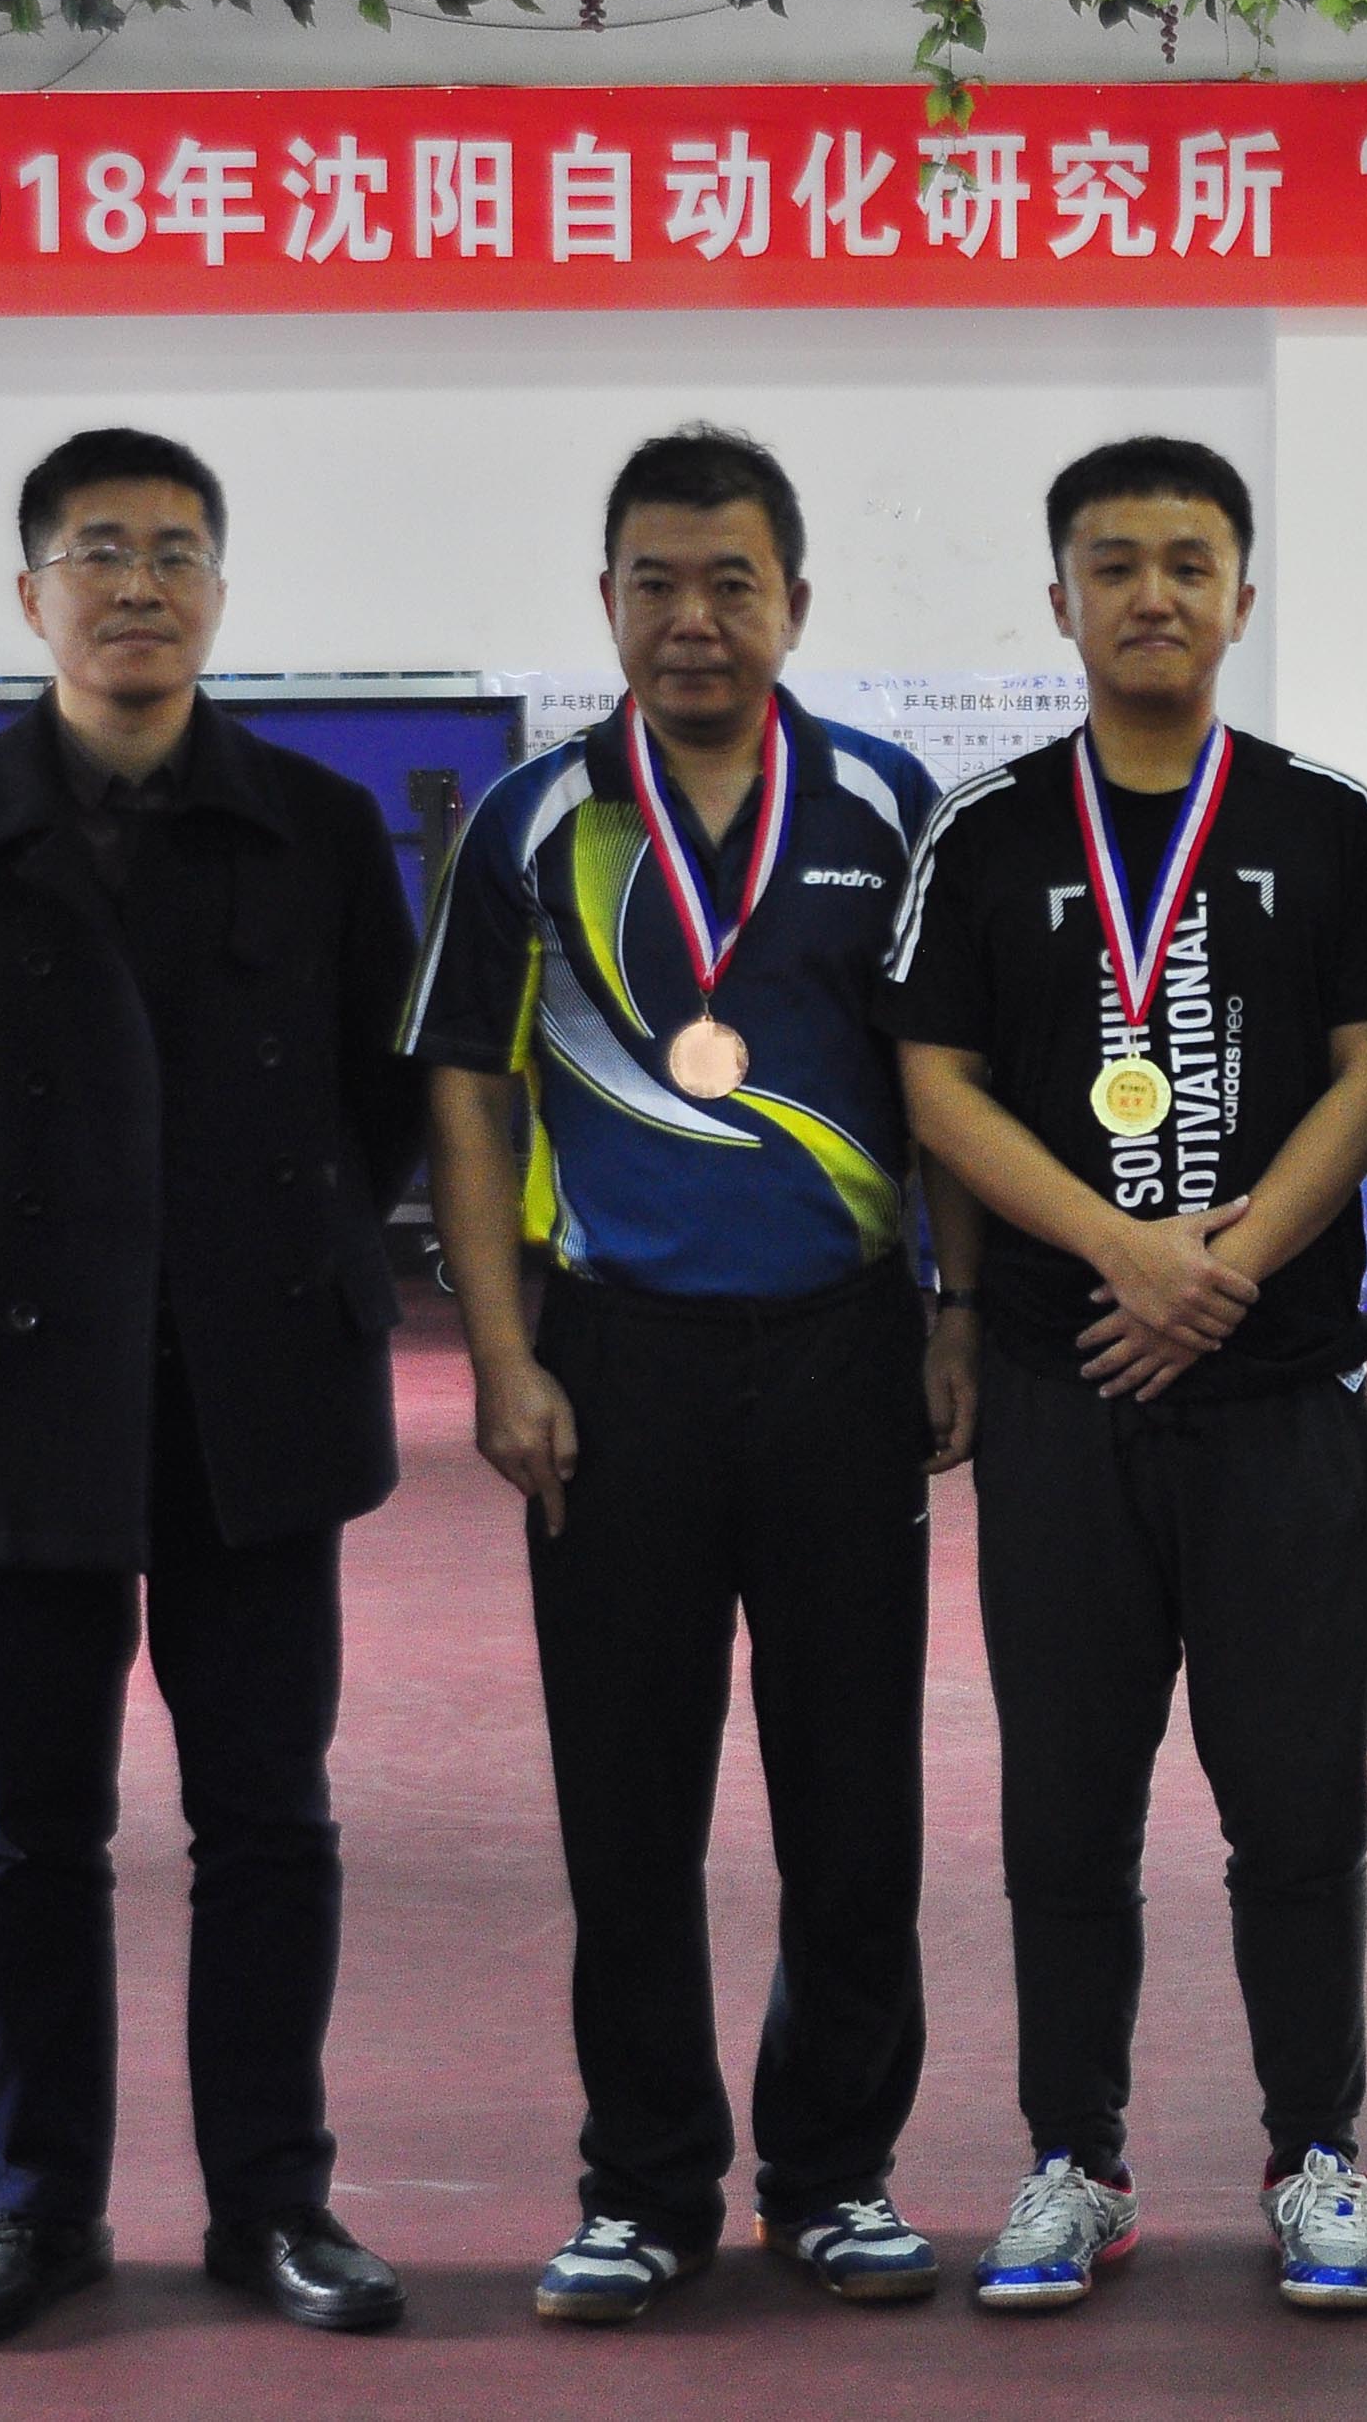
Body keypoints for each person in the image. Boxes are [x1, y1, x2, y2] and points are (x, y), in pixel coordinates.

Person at [0, 428, 425, 2348]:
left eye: (173, 551)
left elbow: (384, 1102)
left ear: (221, 591)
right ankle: (39, 2205)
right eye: (97, 552)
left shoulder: (320, 827)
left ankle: (274, 2201)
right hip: (20, 1397)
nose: (137, 584)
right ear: (30, 596)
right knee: (30, 1828)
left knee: (269, 1821)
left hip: (257, 1396)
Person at [402, 426, 973, 2323]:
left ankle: (834, 2172)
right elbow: (468, 1094)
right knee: (627, 1798)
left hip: (842, 1351)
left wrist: (958, 1311)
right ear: (608, 601)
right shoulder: (530, 821)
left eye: (733, 583)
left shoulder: (890, 804)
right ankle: (642, 2185)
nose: (695, 620)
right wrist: (502, 1354)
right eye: (656, 583)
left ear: (796, 600)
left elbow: (947, 1090)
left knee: (853, 1791)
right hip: (615, 1361)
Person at [878, 436, 1367, 2315]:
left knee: (1300, 1803)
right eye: (1114, 564)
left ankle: (1317, 2154)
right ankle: (1073, 2161)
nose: (1154, 595)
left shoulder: (1328, 822)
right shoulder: (985, 831)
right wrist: (1127, 1253)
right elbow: (935, 1082)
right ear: (1061, 599)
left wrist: (1228, 1267)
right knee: (1066, 1804)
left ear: (1241, 597)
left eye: (1190, 562)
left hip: (1279, 1395)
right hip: (1066, 1394)